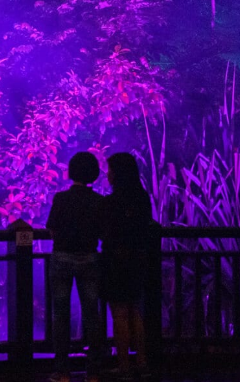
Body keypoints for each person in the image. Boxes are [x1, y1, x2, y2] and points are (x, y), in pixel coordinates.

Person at [46, 152, 105, 382]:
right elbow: (102, 231)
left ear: (71, 172)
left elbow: (52, 228)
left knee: (60, 314)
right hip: (89, 258)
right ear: (93, 173)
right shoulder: (98, 201)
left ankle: (62, 371)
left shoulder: (61, 198)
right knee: (92, 314)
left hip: (62, 257)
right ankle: (94, 371)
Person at [101, 153, 153, 380]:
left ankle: (123, 365)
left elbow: (106, 232)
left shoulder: (111, 202)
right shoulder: (142, 198)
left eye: (110, 170)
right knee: (136, 311)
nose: (108, 174)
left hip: (116, 261)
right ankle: (141, 362)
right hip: (138, 259)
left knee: (120, 314)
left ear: (117, 173)